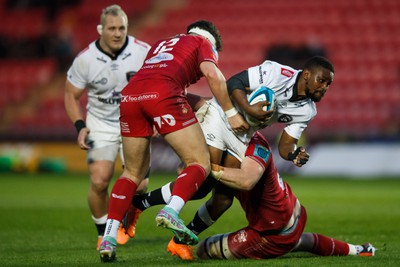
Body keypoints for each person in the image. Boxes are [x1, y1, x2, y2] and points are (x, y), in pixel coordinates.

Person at [130, 56, 335, 259]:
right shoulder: (277, 73)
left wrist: (293, 154)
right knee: (201, 182)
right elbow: (234, 83)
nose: (324, 87)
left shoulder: (307, 110)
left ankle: (175, 238)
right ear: (307, 75)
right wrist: (247, 109)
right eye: (321, 80)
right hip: (221, 117)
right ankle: (153, 207)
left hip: (244, 135)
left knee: (223, 200)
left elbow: (285, 144)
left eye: (328, 83)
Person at [98, 20, 248, 262]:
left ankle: (108, 236)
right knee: (199, 163)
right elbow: (212, 73)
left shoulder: (161, 44)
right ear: (212, 41)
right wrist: (231, 113)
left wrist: (155, 114)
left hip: (131, 95)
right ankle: (172, 211)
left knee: (131, 174)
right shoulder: (202, 42)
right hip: (163, 94)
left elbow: (154, 78)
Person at [196, 132, 376, 259]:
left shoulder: (235, 154)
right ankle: (359, 249)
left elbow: (228, 195)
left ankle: (280, 245)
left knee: (203, 249)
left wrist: (206, 168)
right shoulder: (256, 140)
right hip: (293, 213)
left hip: (274, 231)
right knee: (301, 241)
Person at [64, 4, 151, 250]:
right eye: (111, 28)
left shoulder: (142, 52)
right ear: (101, 29)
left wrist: (154, 118)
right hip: (100, 124)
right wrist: (80, 126)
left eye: (121, 28)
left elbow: (159, 85)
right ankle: (104, 231)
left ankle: (129, 216)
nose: (117, 33)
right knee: (100, 180)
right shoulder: (85, 59)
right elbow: (70, 95)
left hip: (134, 122)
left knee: (141, 185)